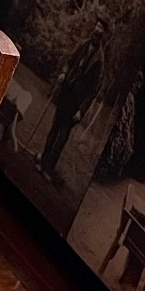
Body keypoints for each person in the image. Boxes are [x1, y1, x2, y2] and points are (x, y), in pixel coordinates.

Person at [39, 17, 107, 180]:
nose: (97, 30)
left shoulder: (99, 60)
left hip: (76, 103)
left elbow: (93, 91)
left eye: (100, 29)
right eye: (96, 26)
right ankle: (42, 161)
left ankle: (48, 168)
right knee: (54, 127)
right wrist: (64, 72)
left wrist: (81, 111)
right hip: (66, 93)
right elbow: (69, 61)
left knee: (63, 135)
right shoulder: (83, 45)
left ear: (103, 34)